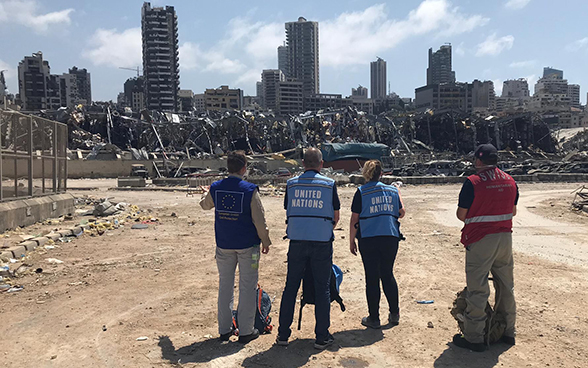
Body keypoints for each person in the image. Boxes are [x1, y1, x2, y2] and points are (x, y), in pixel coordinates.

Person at [200, 150, 272, 344]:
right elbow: (259, 220)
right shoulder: (249, 190)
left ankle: (224, 329)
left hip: (224, 245)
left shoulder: (216, 187)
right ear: (243, 168)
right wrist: (265, 241)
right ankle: (246, 330)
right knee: (248, 286)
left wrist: (207, 193)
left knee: (225, 286)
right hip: (249, 247)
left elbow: (205, 205)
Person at [453, 144, 519, 352]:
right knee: (506, 285)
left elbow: (461, 215)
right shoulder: (510, 181)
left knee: (478, 287)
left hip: (480, 239)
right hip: (505, 239)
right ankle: (508, 331)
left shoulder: (473, 182)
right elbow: (513, 211)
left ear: (479, 161)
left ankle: (474, 337)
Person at [276, 147, 340, 350]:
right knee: (322, 289)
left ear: (303, 164)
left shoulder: (291, 184)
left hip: (296, 242)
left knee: (291, 287)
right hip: (321, 242)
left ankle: (282, 335)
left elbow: (289, 209)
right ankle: (321, 336)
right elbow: (336, 216)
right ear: (321, 164)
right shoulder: (329, 185)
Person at [349, 160, 405, 329]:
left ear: (365, 174)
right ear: (381, 173)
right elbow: (401, 213)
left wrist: (351, 240)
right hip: (390, 236)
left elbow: (354, 219)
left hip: (369, 238)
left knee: (372, 277)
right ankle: (394, 313)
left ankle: (374, 318)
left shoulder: (361, 192)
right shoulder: (392, 190)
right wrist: (398, 192)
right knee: (387, 274)